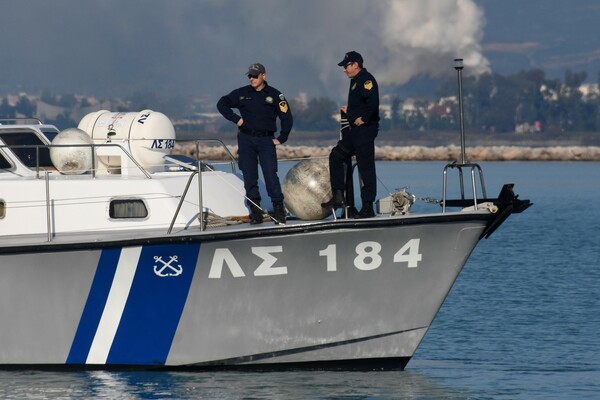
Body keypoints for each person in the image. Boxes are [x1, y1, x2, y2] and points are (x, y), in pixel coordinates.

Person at [216, 63, 292, 225]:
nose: (252, 78)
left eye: (255, 76)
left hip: (266, 140)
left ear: (264, 76)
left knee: (271, 176)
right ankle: (255, 211)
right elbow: (222, 104)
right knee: (250, 177)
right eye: (249, 75)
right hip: (246, 140)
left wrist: (282, 137)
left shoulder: (275, 95)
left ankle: (279, 210)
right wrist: (236, 119)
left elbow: (287, 117)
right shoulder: (242, 93)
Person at [321, 51, 380, 218]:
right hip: (356, 131)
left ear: (355, 64)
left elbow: (373, 102)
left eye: (346, 66)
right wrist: (351, 111)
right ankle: (339, 197)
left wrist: (364, 118)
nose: (344, 70)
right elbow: (361, 102)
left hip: (365, 130)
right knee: (336, 155)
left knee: (365, 167)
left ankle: (367, 207)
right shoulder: (356, 80)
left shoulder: (366, 79)